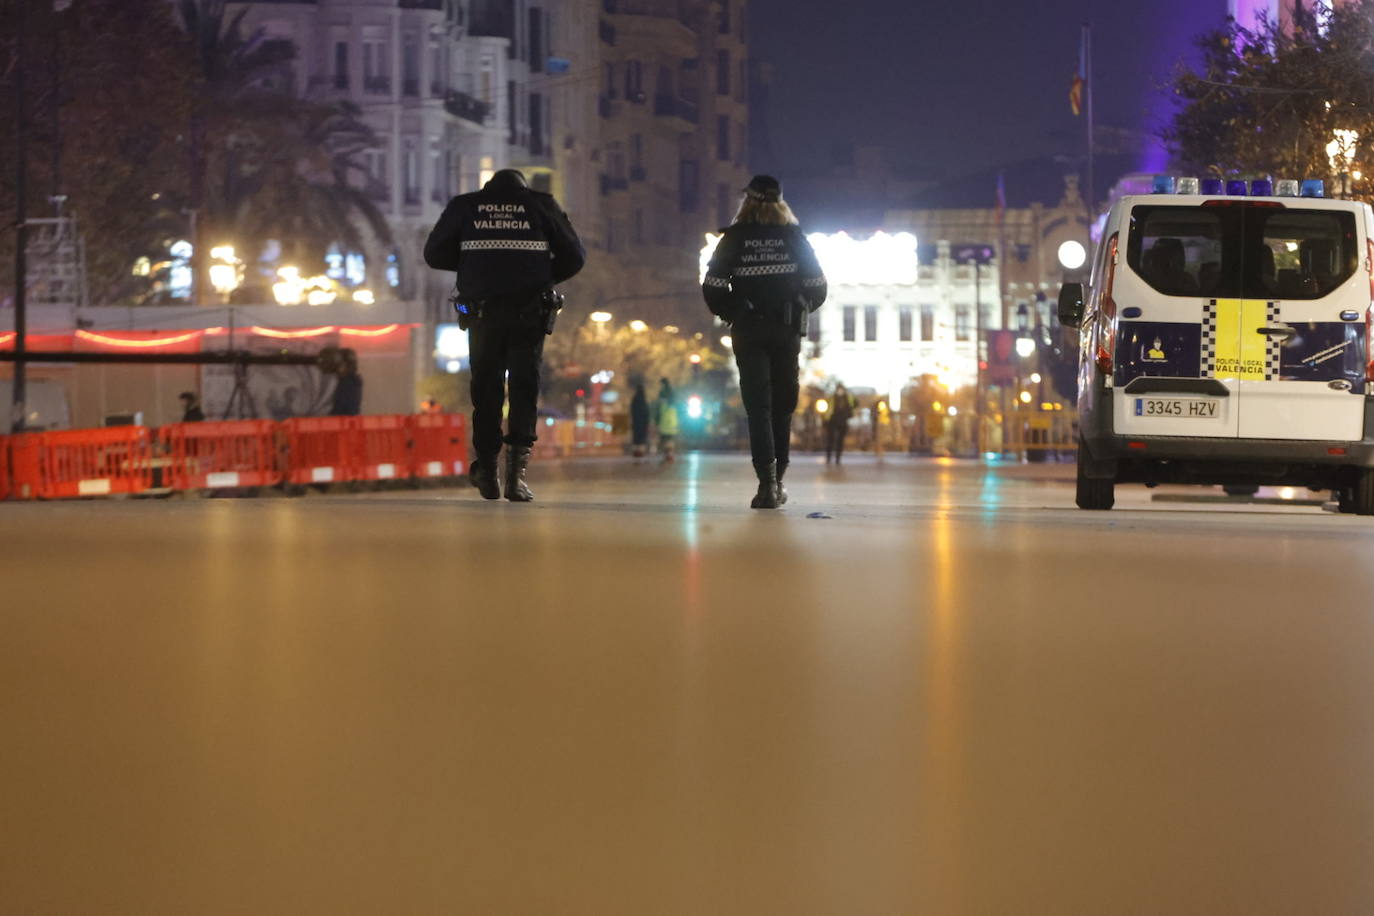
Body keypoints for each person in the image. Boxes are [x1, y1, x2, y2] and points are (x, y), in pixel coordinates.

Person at [423, 168, 585, 501]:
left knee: (486, 388)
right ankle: (516, 478)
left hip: (483, 313)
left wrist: (476, 265)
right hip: (528, 312)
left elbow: (434, 254)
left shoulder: (466, 206)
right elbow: (574, 257)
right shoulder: (542, 206)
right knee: (524, 387)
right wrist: (541, 274)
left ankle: (486, 471)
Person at [701, 174, 827, 508]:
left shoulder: (734, 239)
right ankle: (779, 480)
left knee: (758, 406)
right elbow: (817, 285)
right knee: (783, 404)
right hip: (785, 329)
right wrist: (798, 307)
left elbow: (712, 285)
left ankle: (766, 485)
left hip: (749, 330)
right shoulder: (793, 238)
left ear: (747, 202)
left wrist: (733, 311)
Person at [824, 383, 855, 465]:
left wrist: (849, 414)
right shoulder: (831, 398)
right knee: (830, 440)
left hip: (843, 421)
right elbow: (826, 409)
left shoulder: (848, 398)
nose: (840, 391)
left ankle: (838, 458)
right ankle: (828, 457)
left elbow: (853, 406)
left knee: (840, 441)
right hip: (832, 421)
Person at [329, 350, 363, 416]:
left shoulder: (347, 382)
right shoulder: (353, 381)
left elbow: (340, 406)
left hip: (344, 421)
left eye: (339, 365)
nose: (336, 368)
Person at [654, 378, 680, 464]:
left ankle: (667, 455)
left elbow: (658, 410)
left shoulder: (662, 399)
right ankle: (670, 455)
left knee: (664, 440)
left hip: (664, 423)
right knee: (670, 440)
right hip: (672, 423)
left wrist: (656, 421)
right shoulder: (673, 400)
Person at [629, 382, 651, 460]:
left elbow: (631, 411)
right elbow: (647, 412)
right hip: (643, 422)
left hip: (636, 422)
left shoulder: (634, 400)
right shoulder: (644, 400)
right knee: (642, 437)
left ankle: (636, 452)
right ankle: (641, 452)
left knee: (636, 437)